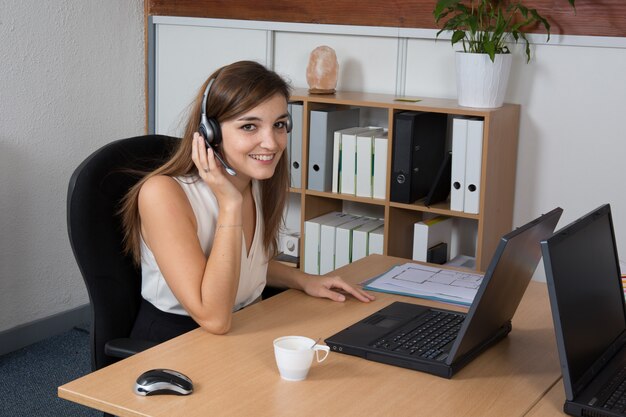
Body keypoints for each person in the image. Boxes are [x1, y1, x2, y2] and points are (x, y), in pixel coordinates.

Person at [120, 61, 374, 343]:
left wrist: (304, 280)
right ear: (210, 133)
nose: (272, 143)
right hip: (177, 343)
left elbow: (248, 265)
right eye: (249, 126)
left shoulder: (254, 181)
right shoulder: (163, 194)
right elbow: (214, 317)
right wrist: (230, 205)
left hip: (245, 327)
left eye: (279, 125)